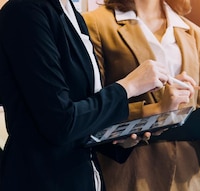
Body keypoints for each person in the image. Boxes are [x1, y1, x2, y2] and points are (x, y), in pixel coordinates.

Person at [82, 0, 200, 190]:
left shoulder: (195, 34)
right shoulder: (95, 24)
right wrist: (157, 110)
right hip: (131, 175)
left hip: (187, 178)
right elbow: (92, 112)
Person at [0, 0, 173, 190]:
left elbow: (81, 117)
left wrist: (116, 139)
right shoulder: (25, 11)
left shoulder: (71, 14)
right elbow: (61, 123)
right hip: (41, 180)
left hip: (84, 176)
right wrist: (129, 86)